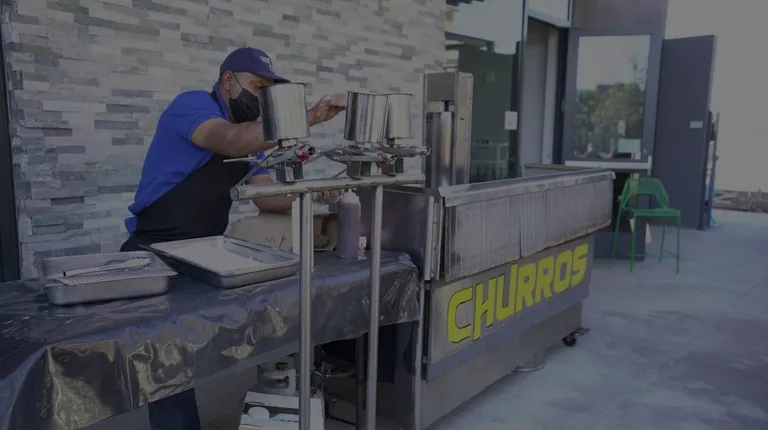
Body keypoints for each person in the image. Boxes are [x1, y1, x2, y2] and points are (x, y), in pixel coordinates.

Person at [120, 47, 347, 430]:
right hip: (154, 254)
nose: (259, 99)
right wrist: (309, 116)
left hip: (203, 255)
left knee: (190, 353)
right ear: (228, 80)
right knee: (169, 367)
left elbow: (268, 198)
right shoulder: (193, 107)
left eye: (266, 92)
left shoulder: (252, 134)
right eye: (257, 87)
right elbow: (230, 141)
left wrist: (314, 192)